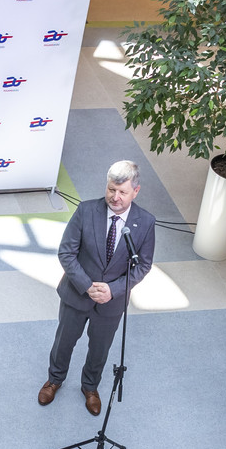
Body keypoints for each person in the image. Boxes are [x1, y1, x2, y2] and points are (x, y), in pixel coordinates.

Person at [40, 160, 156, 416]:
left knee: (100, 349)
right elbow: (66, 252)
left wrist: (113, 290)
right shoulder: (86, 210)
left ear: (136, 191)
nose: (115, 197)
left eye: (122, 192)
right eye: (111, 189)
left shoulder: (146, 222)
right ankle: (54, 379)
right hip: (76, 294)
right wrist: (86, 286)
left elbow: (143, 265)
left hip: (111, 303)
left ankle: (90, 387)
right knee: (64, 342)